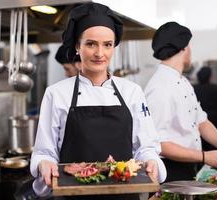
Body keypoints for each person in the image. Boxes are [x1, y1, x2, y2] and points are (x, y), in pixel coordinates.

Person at [30, 2, 166, 199]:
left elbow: (145, 147)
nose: (100, 53)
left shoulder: (132, 92)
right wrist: (44, 163)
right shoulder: (56, 94)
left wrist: (151, 160)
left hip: (124, 196)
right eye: (91, 43)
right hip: (73, 195)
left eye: (107, 45)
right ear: (77, 46)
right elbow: (44, 152)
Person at [144, 22, 217, 182]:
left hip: (188, 166)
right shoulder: (159, 87)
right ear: (183, 47)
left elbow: (201, 121)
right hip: (170, 171)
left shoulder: (183, 82)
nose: (191, 50)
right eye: (189, 45)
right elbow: (159, 143)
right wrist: (205, 156)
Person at [193, 66, 217, 151]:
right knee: (215, 152)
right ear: (210, 76)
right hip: (215, 125)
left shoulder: (193, 89)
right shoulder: (216, 88)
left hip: (199, 128)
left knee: (203, 151)